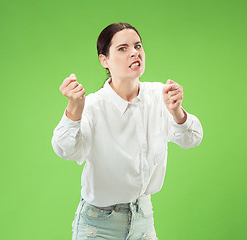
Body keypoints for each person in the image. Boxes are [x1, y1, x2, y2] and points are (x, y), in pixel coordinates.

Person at [51, 22, 203, 240]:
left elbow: (192, 139)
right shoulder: (93, 106)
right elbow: (65, 149)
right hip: (98, 225)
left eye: (138, 46)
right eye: (122, 48)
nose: (134, 53)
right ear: (104, 59)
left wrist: (177, 111)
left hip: (143, 218)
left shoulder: (159, 95)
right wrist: (74, 108)